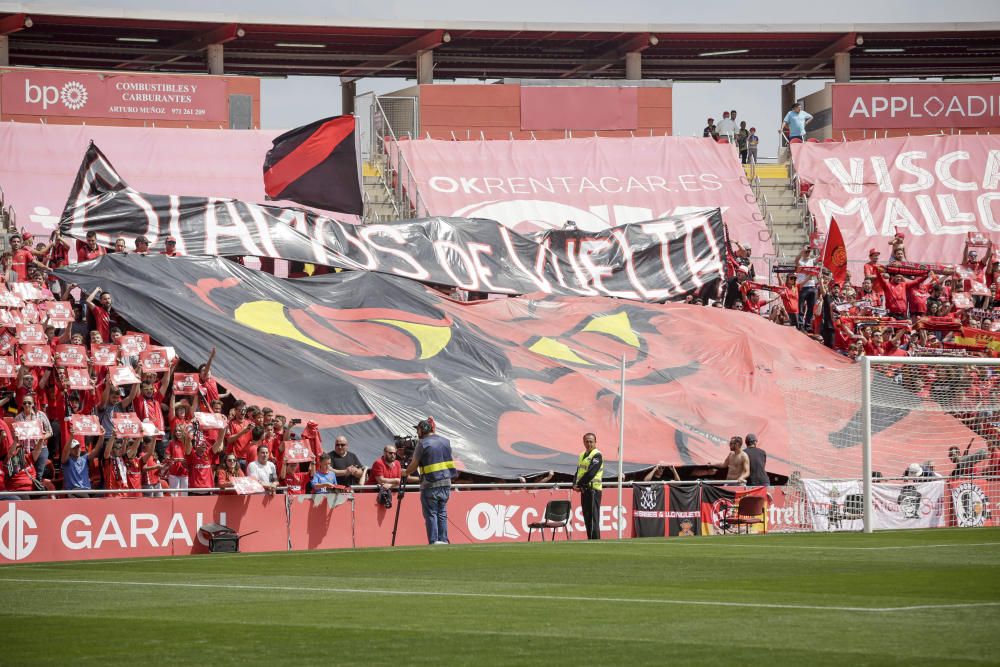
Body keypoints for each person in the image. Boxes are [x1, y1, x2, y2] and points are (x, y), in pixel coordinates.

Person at [404, 418, 457, 545]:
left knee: (431, 513)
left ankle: (434, 541)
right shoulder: (446, 441)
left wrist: (405, 472)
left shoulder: (422, 443)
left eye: (418, 429)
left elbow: (414, 464)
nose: (417, 432)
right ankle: (443, 540)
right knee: (442, 513)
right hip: (446, 482)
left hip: (430, 484)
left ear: (422, 430)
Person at [573, 432, 604, 540]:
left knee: (593, 518)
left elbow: (591, 473)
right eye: (587, 441)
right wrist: (575, 484)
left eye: (591, 441)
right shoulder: (582, 455)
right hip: (584, 490)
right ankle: (590, 538)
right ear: (583, 442)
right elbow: (578, 471)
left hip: (593, 490)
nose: (589, 443)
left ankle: (594, 540)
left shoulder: (597, 455)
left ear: (595, 442)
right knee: (587, 517)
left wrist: (579, 484)